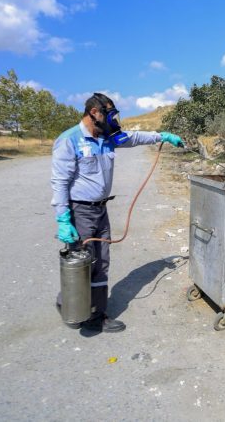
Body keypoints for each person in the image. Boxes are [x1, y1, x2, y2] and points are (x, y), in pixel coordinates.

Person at [51, 92, 183, 333]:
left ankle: (91, 313)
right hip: (80, 211)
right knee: (83, 263)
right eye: (109, 114)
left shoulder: (107, 137)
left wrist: (162, 136)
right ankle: (74, 306)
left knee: (101, 262)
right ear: (94, 113)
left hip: (101, 210)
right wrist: (63, 219)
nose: (113, 119)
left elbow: (134, 137)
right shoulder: (69, 140)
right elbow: (60, 182)